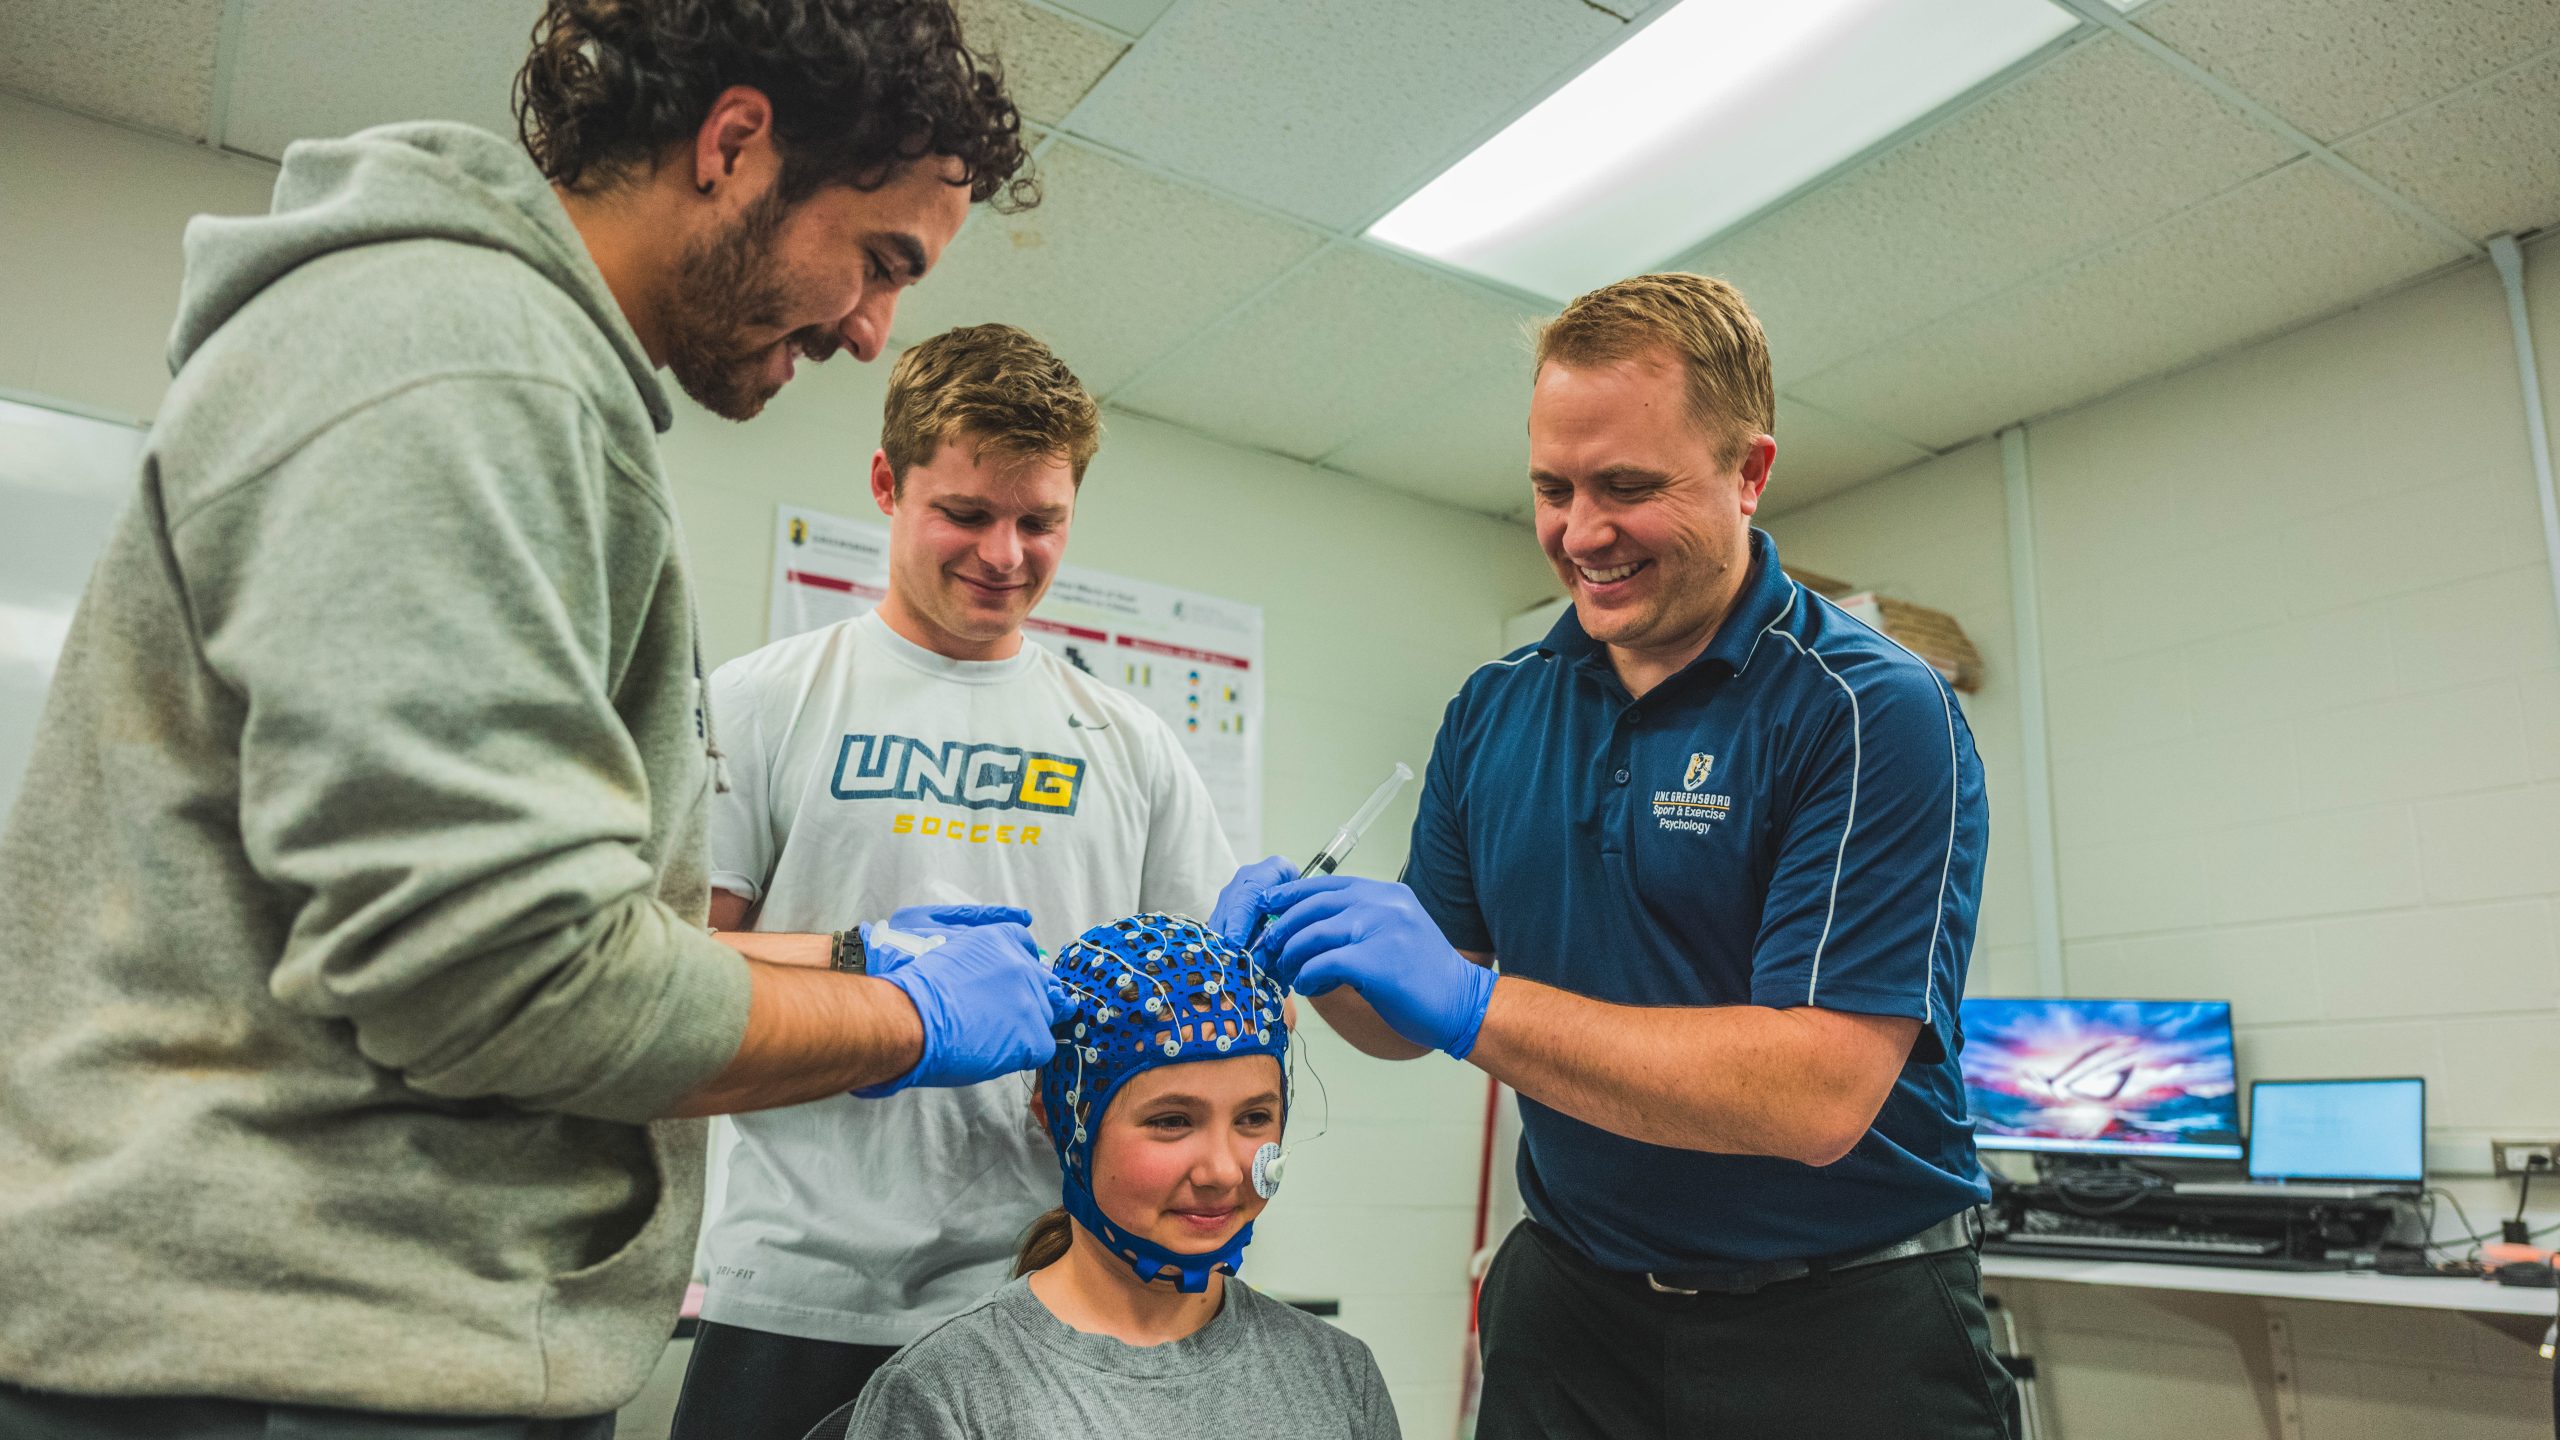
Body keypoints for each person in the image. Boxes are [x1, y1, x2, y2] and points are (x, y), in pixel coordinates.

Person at [0, 3, 1064, 1435]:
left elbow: (540, 916)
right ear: (736, 144)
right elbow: (507, 979)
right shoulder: (460, 363)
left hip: (367, 1333)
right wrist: (901, 1018)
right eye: (879, 263)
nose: (873, 329)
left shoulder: (538, 388)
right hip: (281, 1355)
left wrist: (851, 950)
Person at [1228, 273, 2015, 1439]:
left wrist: (1468, 1001)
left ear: (1749, 473)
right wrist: (1327, 959)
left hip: (1841, 1325)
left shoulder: (1866, 710)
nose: (1580, 533)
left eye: (1628, 488)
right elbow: (1410, 1018)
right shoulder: (1496, 710)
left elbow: (1815, 1093)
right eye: (1551, 488)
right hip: (1569, 1308)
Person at [670, 325, 1238, 1440]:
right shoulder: (765, 702)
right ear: (887, 484)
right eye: (967, 515)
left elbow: (1197, 1012)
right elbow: (663, 976)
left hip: (1048, 1290)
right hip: (799, 1286)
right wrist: (873, 982)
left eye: (1041, 522)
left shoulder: (1127, 741)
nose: (1006, 554)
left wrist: (1133, 1048)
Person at [828, 913, 1399, 1440]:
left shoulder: (1339, 1376)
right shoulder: (945, 1393)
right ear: (1062, 1122)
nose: (1223, 1171)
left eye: (1254, 1118)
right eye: (1172, 1121)